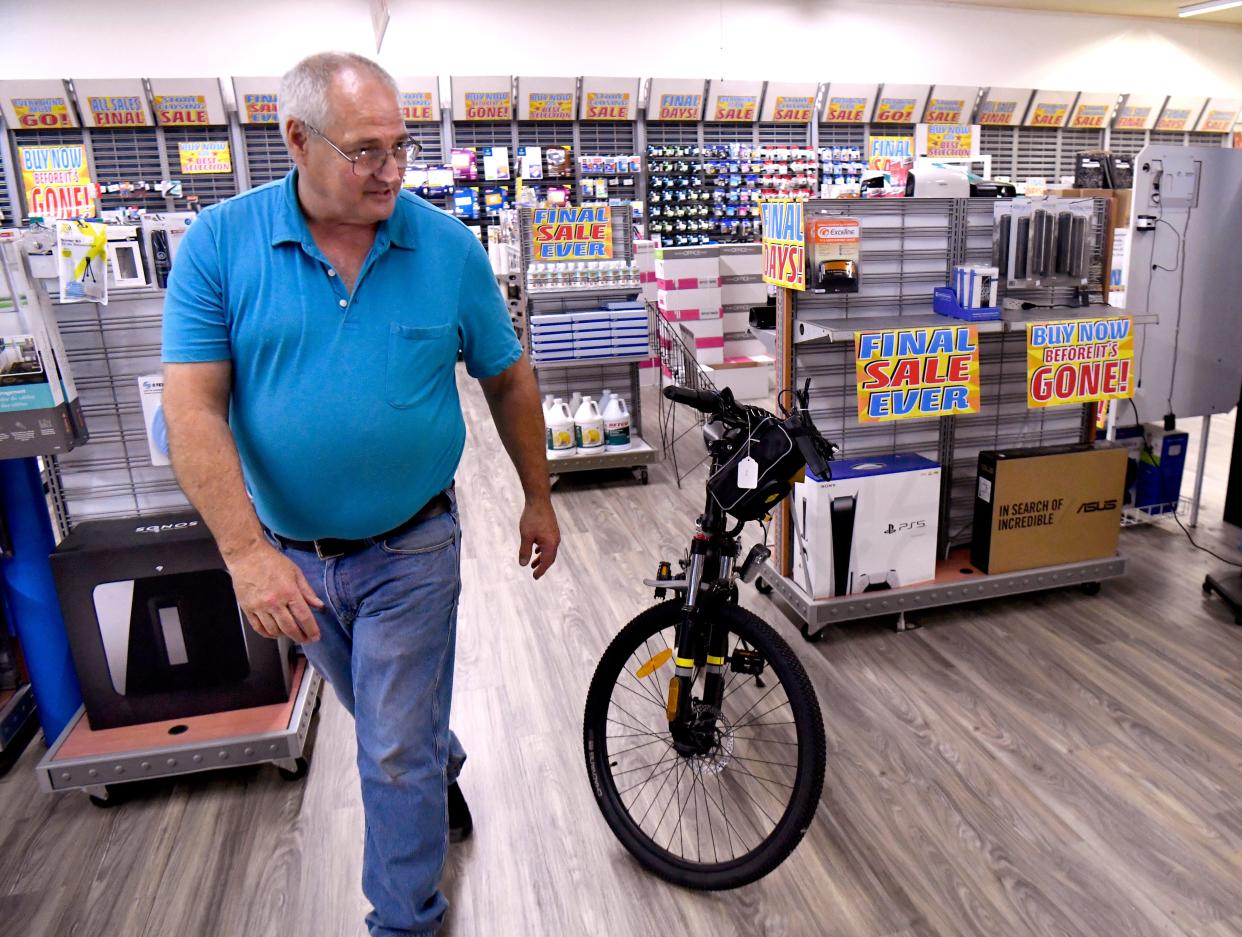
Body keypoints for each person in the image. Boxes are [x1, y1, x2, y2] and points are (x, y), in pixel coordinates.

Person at [160, 51, 560, 937]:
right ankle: (437, 755)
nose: (390, 171)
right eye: (366, 151)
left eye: (401, 148)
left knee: (386, 749)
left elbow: (507, 376)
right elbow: (191, 406)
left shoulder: (446, 247)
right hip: (290, 563)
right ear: (296, 139)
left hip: (412, 547)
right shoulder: (221, 246)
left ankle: (405, 920)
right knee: (391, 723)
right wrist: (243, 554)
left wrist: (538, 494)